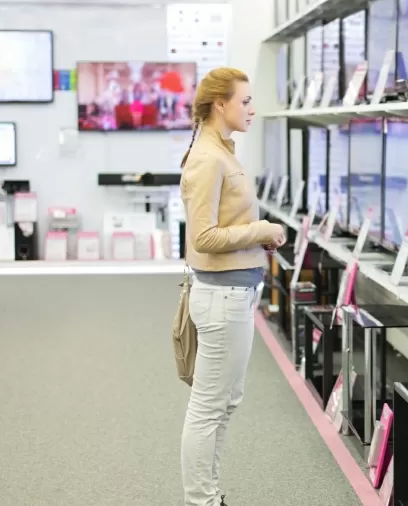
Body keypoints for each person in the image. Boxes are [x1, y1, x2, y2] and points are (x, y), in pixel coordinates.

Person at [179, 67, 287, 506]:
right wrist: (259, 229)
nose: (252, 109)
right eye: (244, 101)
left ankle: (209, 495)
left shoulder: (221, 150)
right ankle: (202, 501)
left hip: (235, 295)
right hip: (222, 298)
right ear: (219, 104)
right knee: (208, 410)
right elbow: (203, 238)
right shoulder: (208, 157)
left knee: (223, 405)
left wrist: (256, 234)